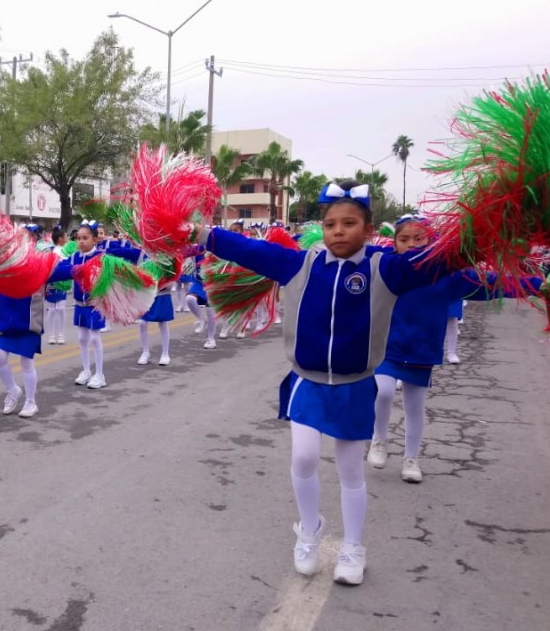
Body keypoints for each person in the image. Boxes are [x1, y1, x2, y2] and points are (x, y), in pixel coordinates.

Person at [195, 180, 455, 586]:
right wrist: (200, 233)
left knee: (351, 469)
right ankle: (309, 530)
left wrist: (487, 236)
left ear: (368, 230)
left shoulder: (386, 269)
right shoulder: (301, 264)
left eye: (349, 223)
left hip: (355, 384)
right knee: (302, 458)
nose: (338, 231)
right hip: (307, 382)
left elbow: (442, 260)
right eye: (331, 223)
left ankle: (353, 546)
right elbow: (249, 249)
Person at [368, 215, 541, 483]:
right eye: (403, 239)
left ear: (432, 241)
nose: (411, 244)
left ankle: (411, 459)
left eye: (418, 238)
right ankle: (379, 439)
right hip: (386, 348)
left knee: (415, 407)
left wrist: (539, 286)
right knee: (383, 391)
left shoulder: (446, 274)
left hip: (422, 351)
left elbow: (493, 284)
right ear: (395, 243)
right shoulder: (386, 268)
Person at [65, 222, 107, 389]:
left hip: (95, 304)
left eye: (85, 238)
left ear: (94, 239)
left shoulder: (100, 257)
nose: (81, 241)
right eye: (78, 238)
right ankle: (86, 371)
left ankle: (100, 375)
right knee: (82, 338)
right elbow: (61, 268)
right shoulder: (74, 257)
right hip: (79, 304)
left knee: (95, 338)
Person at [186, 249, 218, 349]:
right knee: (189, 299)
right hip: (199, 282)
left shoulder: (217, 246)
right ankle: (201, 320)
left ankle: (211, 339)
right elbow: (182, 253)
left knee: (210, 309)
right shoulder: (196, 248)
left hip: (214, 282)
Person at [45, 228, 69, 345]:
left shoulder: (65, 252)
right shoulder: (51, 251)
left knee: (61, 308)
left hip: (62, 283)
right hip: (52, 282)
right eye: (66, 236)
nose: (68, 239)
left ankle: (61, 335)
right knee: (52, 309)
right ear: (60, 239)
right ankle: (51, 335)